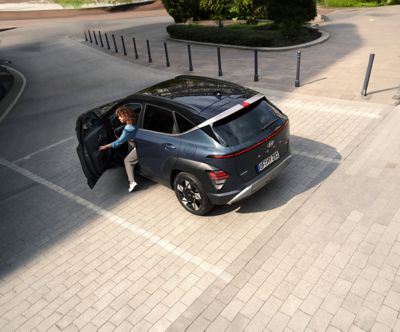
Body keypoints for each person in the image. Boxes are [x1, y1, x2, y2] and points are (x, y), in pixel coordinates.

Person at [99, 106, 139, 192]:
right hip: (142, 141)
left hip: (139, 147)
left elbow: (118, 143)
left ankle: (132, 182)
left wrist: (105, 146)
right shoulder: (138, 118)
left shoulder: (127, 129)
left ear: (126, 116)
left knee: (127, 161)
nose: (119, 118)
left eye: (120, 116)